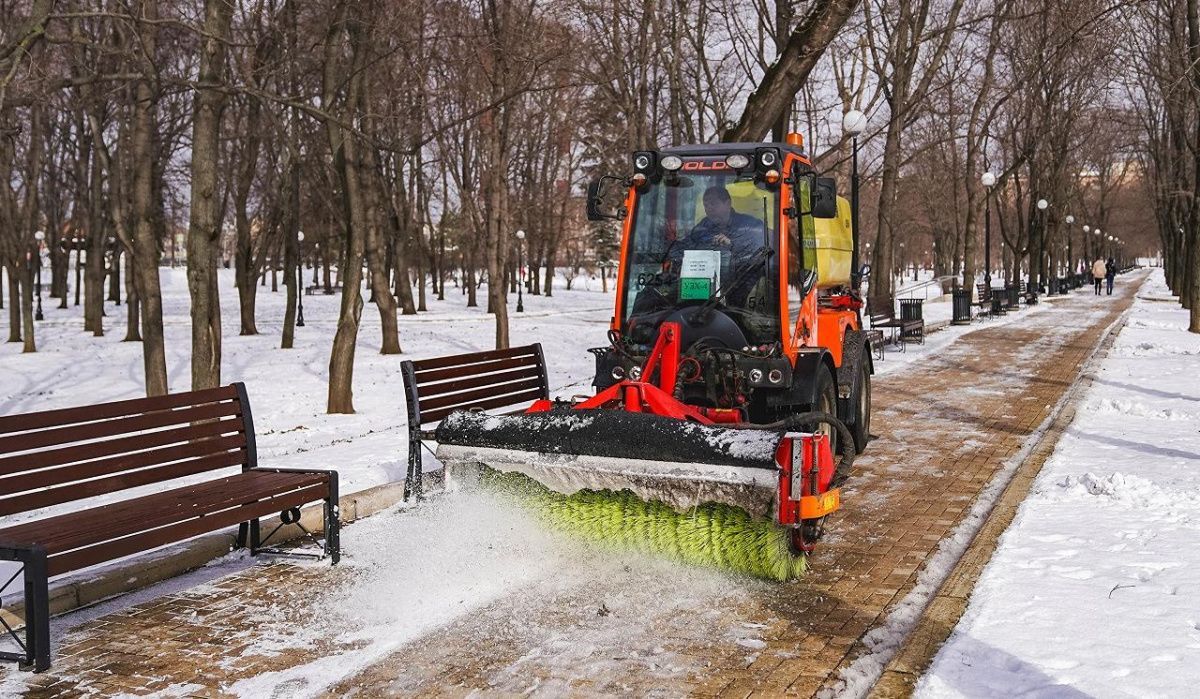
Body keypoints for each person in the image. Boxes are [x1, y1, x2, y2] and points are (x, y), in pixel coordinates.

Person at [670, 186, 766, 306]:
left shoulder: (750, 226)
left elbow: (759, 254)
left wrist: (732, 245)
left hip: (741, 287)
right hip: (707, 288)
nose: (708, 208)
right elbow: (685, 247)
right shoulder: (703, 227)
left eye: (713, 203)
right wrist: (671, 247)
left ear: (728, 203)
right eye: (706, 205)